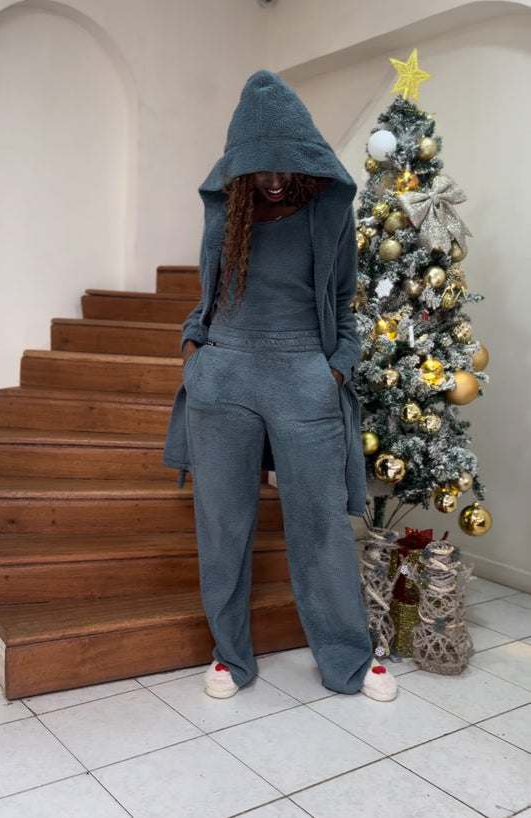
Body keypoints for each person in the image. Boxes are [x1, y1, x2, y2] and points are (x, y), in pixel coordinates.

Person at [163, 70, 397, 702]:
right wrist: (194, 352)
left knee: (321, 525)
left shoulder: (328, 209)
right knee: (222, 526)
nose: (271, 179)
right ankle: (230, 656)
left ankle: (348, 659)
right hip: (225, 374)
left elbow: (343, 303)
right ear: (239, 165)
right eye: (259, 167)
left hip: (303, 374)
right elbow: (207, 296)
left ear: (304, 155)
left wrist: (336, 367)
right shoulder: (226, 210)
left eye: (282, 165)